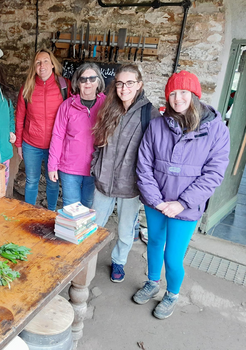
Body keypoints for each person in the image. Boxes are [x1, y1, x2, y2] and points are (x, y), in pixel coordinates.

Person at [133, 71, 230, 319]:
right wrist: (156, 200)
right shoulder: (157, 125)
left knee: (173, 254)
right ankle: (152, 281)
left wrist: (182, 203)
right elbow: (144, 165)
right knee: (154, 243)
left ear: (195, 95)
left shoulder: (216, 130)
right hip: (157, 203)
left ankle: (172, 294)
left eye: (184, 93)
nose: (177, 99)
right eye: (173, 94)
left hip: (186, 208)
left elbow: (213, 173)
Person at [91, 64, 160, 283]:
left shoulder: (149, 113)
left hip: (130, 184)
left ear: (139, 85)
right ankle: (88, 258)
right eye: (120, 83)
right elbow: (98, 142)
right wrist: (95, 166)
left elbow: (155, 151)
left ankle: (119, 261)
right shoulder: (109, 107)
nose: (124, 88)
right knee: (94, 226)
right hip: (103, 179)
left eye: (130, 83)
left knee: (125, 229)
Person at [15, 48, 70, 211]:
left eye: (46, 61)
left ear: (53, 64)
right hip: (31, 143)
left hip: (55, 145)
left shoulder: (64, 86)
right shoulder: (27, 87)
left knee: (53, 181)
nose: (42, 65)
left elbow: (72, 114)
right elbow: (19, 117)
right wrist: (19, 143)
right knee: (31, 180)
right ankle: (29, 213)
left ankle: (51, 212)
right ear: (34, 66)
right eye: (38, 62)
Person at [48, 62, 106, 208]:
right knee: (71, 206)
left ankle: (83, 232)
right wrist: (52, 165)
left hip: (95, 166)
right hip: (69, 167)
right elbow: (58, 136)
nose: (88, 83)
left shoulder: (107, 105)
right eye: (83, 79)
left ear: (98, 81)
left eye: (92, 78)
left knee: (88, 205)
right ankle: (70, 232)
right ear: (77, 82)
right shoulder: (67, 106)